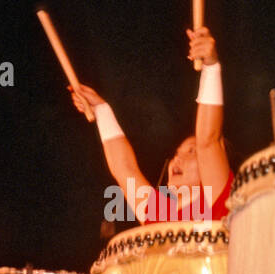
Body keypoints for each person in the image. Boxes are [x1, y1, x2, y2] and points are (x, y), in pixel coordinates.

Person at [71, 27, 234, 224]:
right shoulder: (158, 213)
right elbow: (125, 169)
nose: (177, 160)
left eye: (192, 151)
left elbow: (208, 140)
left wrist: (211, 66)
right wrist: (101, 109)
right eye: (176, 154)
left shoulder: (217, 198)